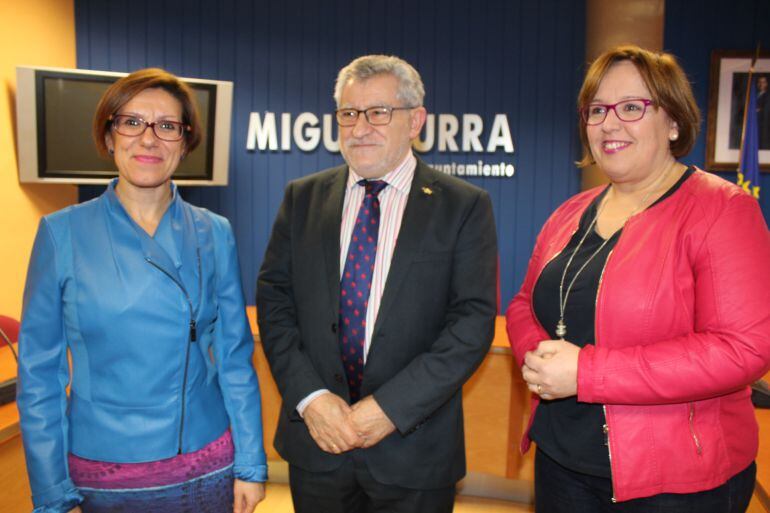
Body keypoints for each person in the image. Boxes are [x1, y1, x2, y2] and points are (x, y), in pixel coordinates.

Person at [506, 45, 770, 512]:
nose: (610, 123)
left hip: (676, 483)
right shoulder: (569, 214)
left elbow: (743, 350)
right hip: (561, 462)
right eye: (597, 110)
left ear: (673, 122)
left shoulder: (722, 210)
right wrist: (538, 357)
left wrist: (585, 373)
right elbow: (525, 303)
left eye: (632, 107)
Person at [17, 68, 267, 513]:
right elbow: (40, 378)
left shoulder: (216, 232)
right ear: (109, 136)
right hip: (103, 472)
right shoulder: (61, 233)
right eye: (132, 122)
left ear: (186, 143)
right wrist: (52, 493)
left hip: (205, 464)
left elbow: (233, 358)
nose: (149, 139)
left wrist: (250, 462)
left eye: (167, 126)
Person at [257, 54, 498, 513]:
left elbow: (471, 324)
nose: (359, 127)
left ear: (416, 121)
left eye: (378, 112)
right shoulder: (302, 199)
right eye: (348, 114)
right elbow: (275, 304)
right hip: (317, 444)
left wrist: (389, 408)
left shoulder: (463, 206)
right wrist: (310, 399)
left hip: (414, 450)